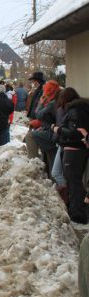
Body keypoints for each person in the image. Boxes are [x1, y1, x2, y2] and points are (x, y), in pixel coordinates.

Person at [53, 95, 89, 224]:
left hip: (72, 150)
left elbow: (73, 132)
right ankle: (78, 210)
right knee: (76, 181)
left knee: (73, 182)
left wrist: (57, 129)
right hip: (80, 150)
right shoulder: (83, 111)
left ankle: (77, 214)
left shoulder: (74, 112)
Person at [52, 88, 81, 204]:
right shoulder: (74, 109)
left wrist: (56, 130)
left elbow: (70, 131)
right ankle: (67, 198)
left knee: (58, 173)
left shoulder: (69, 110)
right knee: (66, 176)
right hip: (69, 145)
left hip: (67, 145)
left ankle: (67, 199)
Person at [30, 80, 60, 176]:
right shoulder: (56, 100)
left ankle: (33, 163)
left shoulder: (51, 103)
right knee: (51, 159)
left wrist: (41, 103)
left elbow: (38, 115)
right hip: (52, 131)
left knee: (30, 136)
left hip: (52, 133)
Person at [25, 72, 46, 158]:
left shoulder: (43, 90)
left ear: (37, 81)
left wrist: (36, 117)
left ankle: (35, 158)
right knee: (32, 137)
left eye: (33, 81)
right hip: (34, 117)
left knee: (33, 137)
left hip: (38, 119)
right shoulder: (38, 90)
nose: (32, 82)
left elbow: (40, 105)